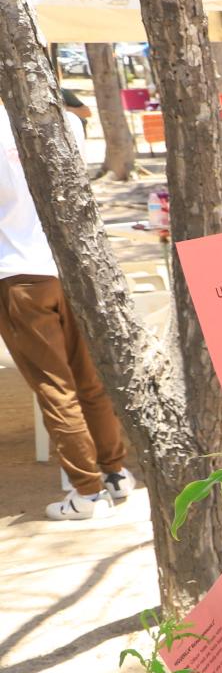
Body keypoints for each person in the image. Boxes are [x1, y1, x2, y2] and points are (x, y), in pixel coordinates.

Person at [0, 104, 132, 521]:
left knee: (55, 388)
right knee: (88, 380)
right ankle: (114, 473)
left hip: (18, 272)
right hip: (69, 266)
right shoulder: (66, 120)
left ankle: (88, 494)